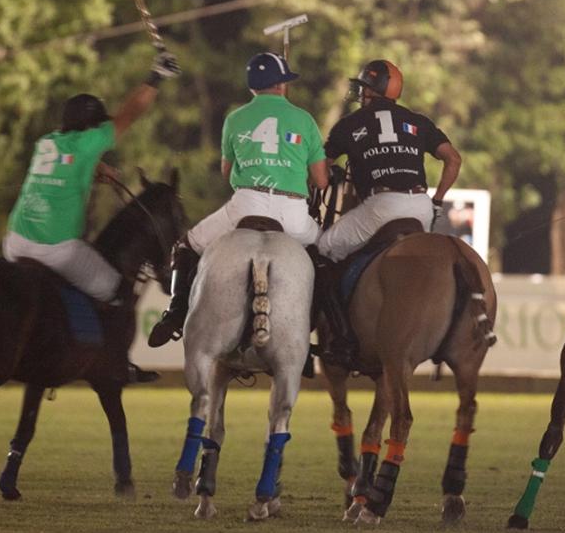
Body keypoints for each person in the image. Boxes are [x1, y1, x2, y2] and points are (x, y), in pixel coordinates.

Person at [4, 51, 179, 364]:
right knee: (118, 291)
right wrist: (157, 76)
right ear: (91, 128)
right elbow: (131, 113)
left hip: (15, 244)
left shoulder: (48, 142)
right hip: (56, 249)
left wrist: (99, 171)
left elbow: (72, 162)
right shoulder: (88, 142)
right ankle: (111, 362)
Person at [147, 52, 328, 347]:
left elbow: (227, 171)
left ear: (252, 87)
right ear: (282, 85)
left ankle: (174, 313)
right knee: (328, 254)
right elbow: (321, 180)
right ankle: (327, 327)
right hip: (293, 213)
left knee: (186, 246)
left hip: (246, 205)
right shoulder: (304, 119)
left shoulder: (235, 118)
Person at [315, 59, 462, 366]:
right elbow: (453, 160)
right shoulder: (418, 121)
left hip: (380, 208)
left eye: (363, 88)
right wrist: (438, 200)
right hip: (420, 207)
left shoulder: (350, 124)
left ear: (371, 91)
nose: (361, 93)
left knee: (324, 249)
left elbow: (320, 171)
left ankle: (340, 336)